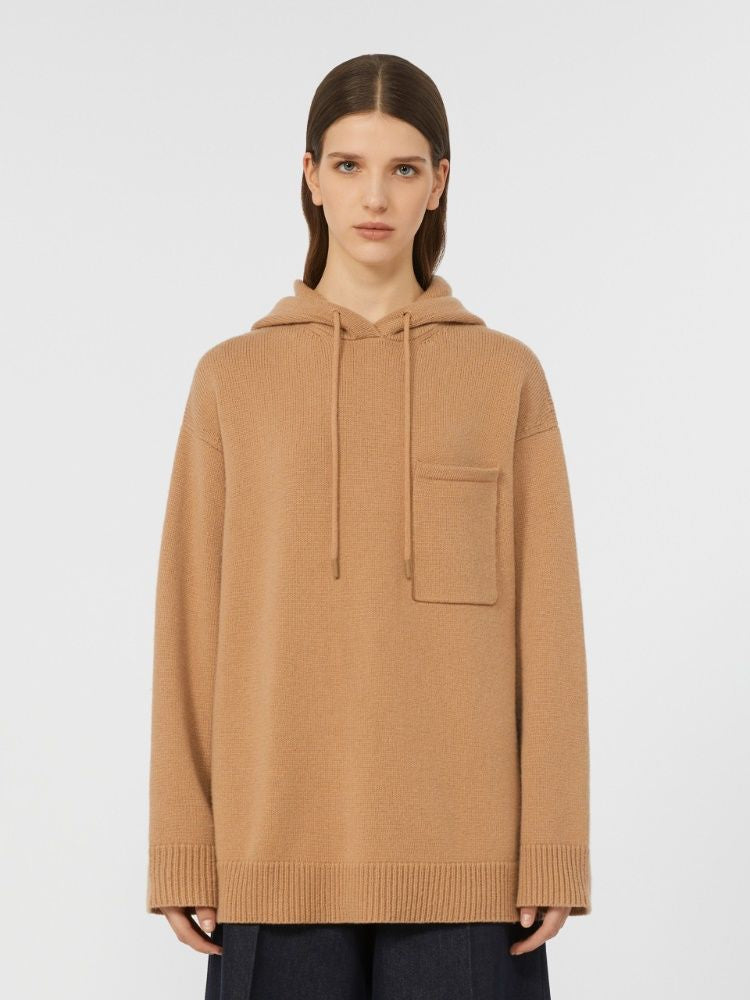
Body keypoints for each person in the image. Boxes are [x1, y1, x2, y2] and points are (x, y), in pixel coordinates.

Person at [146, 53, 592, 1000]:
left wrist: (554, 841)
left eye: (403, 168)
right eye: (348, 165)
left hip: (471, 869)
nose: (375, 196)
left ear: (440, 181)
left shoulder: (504, 376)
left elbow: (550, 627)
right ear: (310, 177)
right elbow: (189, 621)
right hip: (271, 858)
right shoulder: (232, 380)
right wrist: (182, 842)